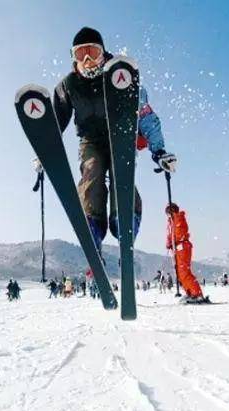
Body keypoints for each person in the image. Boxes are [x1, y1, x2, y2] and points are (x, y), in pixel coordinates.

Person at [54, 27, 177, 252]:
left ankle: (125, 219)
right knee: (92, 171)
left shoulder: (119, 76)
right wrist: (45, 152)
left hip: (119, 136)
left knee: (121, 172)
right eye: (81, 54)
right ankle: (92, 223)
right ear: (73, 58)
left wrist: (159, 151)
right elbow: (55, 121)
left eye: (93, 52)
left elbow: (146, 116)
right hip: (90, 140)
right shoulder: (68, 85)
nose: (88, 60)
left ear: (103, 52)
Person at [165, 203, 207, 303]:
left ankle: (197, 293)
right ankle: (190, 293)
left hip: (182, 247)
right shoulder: (171, 222)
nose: (167, 215)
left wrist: (173, 241)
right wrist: (169, 243)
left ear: (172, 211)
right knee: (180, 273)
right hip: (178, 248)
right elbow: (170, 235)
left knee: (184, 271)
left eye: (168, 212)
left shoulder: (178, 218)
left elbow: (180, 233)